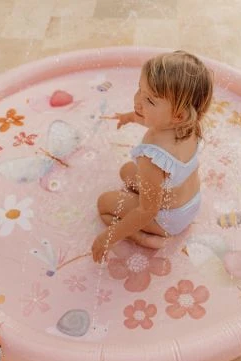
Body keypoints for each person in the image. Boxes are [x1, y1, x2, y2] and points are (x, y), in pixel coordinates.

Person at [92, 50, 214, 263]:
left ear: (178, 115)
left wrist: (108, 237)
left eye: (149, 100)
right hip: (190, 204)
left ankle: (142, 238)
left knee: (104, 204)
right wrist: (130, 117)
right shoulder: (189, 125)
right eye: (140, 89)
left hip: (167, 220)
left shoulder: (152, 157)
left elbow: (147, 211)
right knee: (126, 171)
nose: (137, 100)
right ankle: (148, 219)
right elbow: (156, 120)